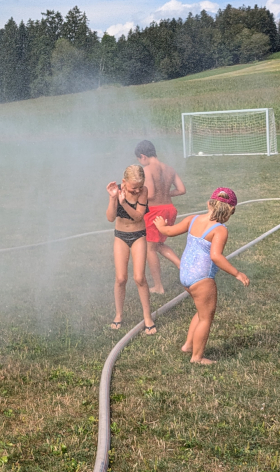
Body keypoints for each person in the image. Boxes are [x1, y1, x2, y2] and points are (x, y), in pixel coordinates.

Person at [153, 188, 250, 365]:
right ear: (231, 211)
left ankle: (189, 346)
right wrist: (237, 273)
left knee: (201, 311)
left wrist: (161, 227)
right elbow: (215, 256)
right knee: (206, 317)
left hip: (185, 274)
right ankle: (197, 357)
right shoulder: (220, 230)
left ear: (208, 203)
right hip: (202, 278)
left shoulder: (193, 219)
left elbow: (169, 231)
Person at [104, 164, 156, 334]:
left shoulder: (143, 191)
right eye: (134, 187)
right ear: (124, 182)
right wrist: (113, 199)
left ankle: (147, 317)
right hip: (121, 236)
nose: (137, 190)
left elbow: (138, 217)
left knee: (140, 278)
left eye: (140, 186)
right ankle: (118, 314)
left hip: (138, 235)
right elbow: (111, 218)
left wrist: (124, 202)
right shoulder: (117, 191)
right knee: (120, 278)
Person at [134, 140, 186, 294]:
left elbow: (149, 194)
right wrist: (166, 193)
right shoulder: (169, 169)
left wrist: (136, 195)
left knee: (150, 248)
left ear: (143, 156)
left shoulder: (147, 170)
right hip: (169, 209)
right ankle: (181, 264)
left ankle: (158, 286)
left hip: (155, 212)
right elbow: (182, 189)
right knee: (157, 245)